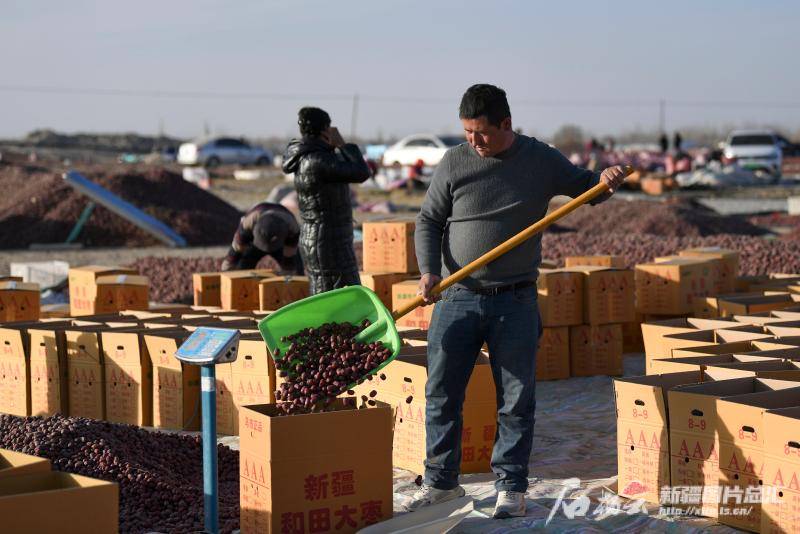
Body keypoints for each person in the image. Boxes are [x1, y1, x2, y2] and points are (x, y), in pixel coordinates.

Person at [408, 84, 627, 518]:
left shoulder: (539, 159)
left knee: (515, 398)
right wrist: (429, 271)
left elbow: (587, 188)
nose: (473, 141)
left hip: (515, 302)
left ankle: (510, 485)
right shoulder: (454, 161)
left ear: (506, 124)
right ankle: (441, 483)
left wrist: (606, 181)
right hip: (457, 296)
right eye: (467, 132)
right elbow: (429, 220)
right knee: (442, 393)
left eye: (481, 132)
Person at [281, 107, 371, 294]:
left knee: (340, 294)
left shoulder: (313, 156)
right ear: (324, 129)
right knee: (332, 295)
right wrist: (343, 145)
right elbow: (361, 172)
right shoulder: (316, 160)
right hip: (326, 240)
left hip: (327, 237)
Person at [221, 202, 303, 273]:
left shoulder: (293, 227)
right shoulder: (248, 223)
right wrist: (225, 273)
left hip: (281, 245)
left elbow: (289, 260)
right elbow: (235, 251)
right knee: (243, 267)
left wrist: (290, 283)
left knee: (297, 268)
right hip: (254, 245)